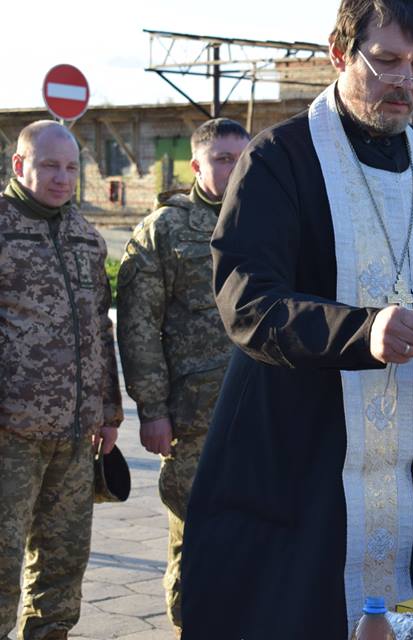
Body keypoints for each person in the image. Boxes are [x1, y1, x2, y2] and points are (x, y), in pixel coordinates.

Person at [178, 2, 413, 638]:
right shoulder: (279, 159)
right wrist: (363, 331)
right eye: (386, 61)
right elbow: (246, 299)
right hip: (311, 453)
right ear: (338, 51)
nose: (405, 81)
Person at [116, 117, 250, 635]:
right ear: (196, 165)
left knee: (256, 533)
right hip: (195, 420)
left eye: (242, 158)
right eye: (222, 159)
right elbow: (138, 325)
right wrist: (151, 410)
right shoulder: (165, 228)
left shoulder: (266, 222)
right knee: (195, 538)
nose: (234, 168)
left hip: (261, 415)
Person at [0, 121, 123, 640]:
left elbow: (100, 325)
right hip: (10, 436)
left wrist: (109, 412)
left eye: (71, 167)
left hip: (75, 435)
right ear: (19, 164)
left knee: (64, 561)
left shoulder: (84, 237)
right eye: (49, 165)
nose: (61, 177)